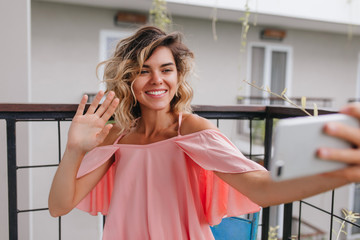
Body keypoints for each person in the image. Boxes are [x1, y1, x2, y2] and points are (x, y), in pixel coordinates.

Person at [48, 26, 360, 240]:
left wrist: (345, 173)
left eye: (166, 69)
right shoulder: (116, 137)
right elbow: (58, 206)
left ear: (177, 75)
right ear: (129, 79)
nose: (157, 80)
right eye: (144, 70)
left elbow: (264, 190)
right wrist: (74, 149)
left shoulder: (193, 130)